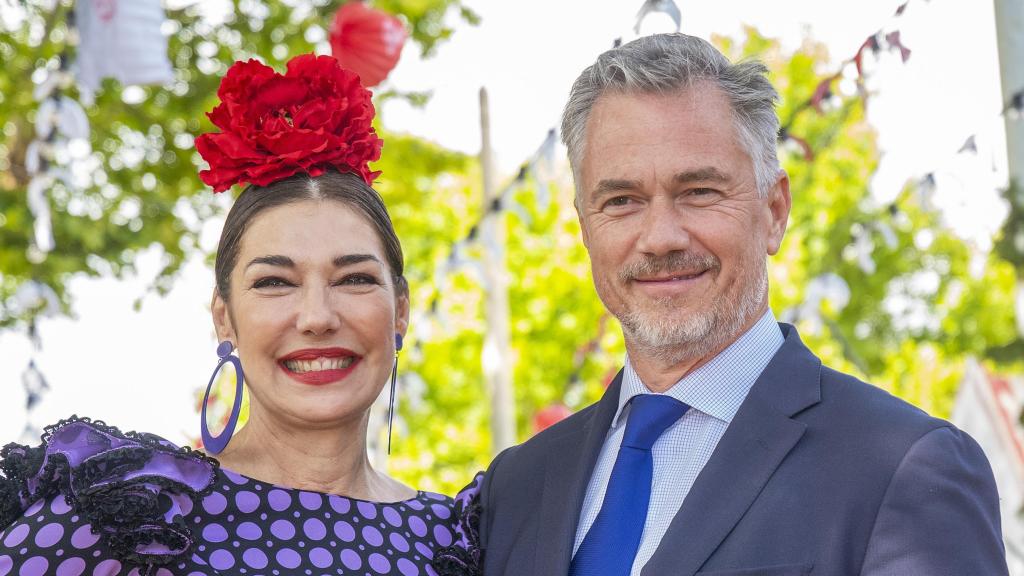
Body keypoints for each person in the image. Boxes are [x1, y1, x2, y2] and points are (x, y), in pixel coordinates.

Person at [436, 33, 1010, 576]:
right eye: (622, 200)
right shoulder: (518, 487)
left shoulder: (903, 467)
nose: (661, 237)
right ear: (585, 227)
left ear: (774, 211)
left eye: (699, 192)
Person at [0, 54, 461, 575]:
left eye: (354, 278)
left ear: (400, 310)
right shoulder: (128, 514)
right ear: (224, 317)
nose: (317, 317)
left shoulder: (453, 537)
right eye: (274, 283)